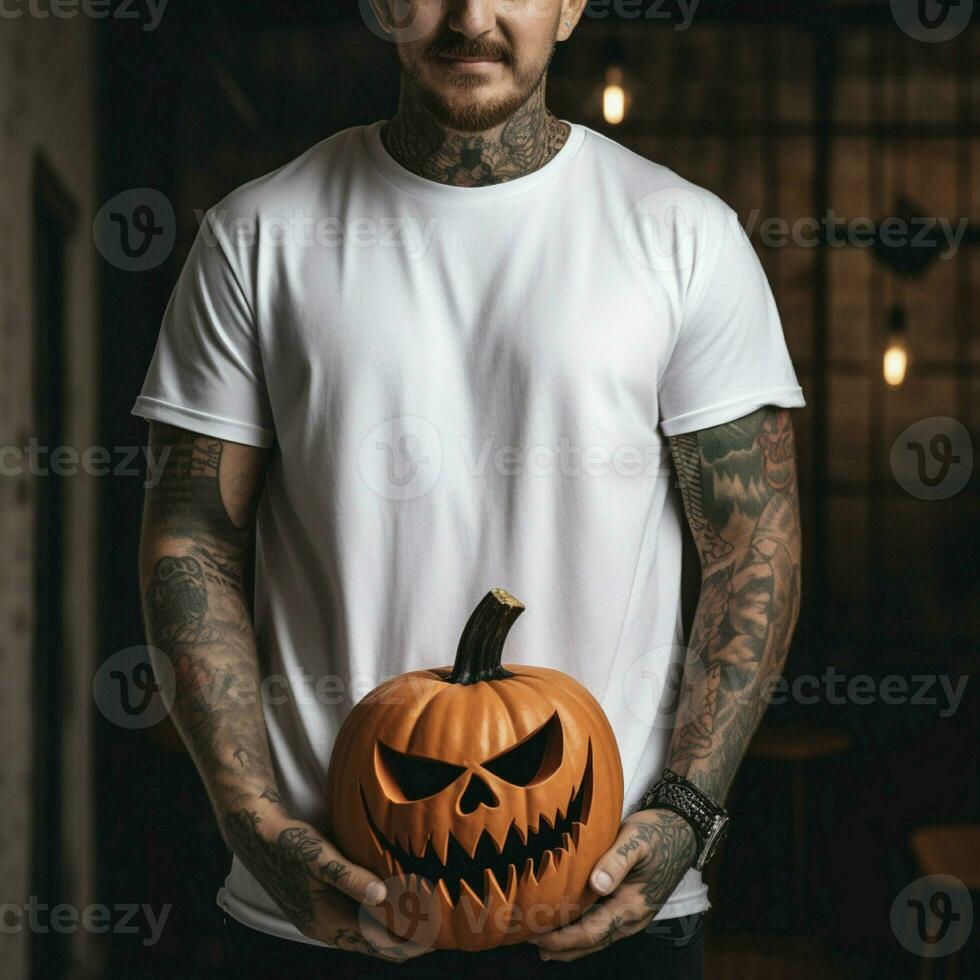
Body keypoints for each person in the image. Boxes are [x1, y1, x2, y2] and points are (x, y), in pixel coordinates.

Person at [133, 2, 805, 977]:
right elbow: (191, 535)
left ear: (571, 6)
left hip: (604, 896)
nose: (469, 17)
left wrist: (686, 813)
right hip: (318, 903)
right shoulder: (257, 235)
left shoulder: (682, 236)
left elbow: (753, 544)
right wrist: (250, 818)